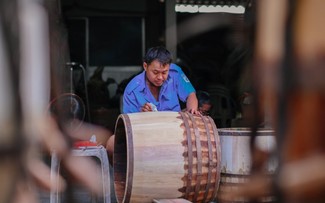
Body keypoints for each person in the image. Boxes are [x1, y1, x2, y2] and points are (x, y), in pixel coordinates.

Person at [122, 46, 199, 114]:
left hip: (175, 126)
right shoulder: (132, 90)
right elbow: (130, 124)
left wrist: (192, 111)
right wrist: (142, 115)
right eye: (155, 72)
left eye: (164, 72)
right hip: (148, 129)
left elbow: (190, 94)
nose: (160, 77)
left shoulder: (175, 73)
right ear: (145, 66)